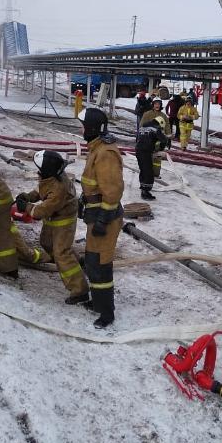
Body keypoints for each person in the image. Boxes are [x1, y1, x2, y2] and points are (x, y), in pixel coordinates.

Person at [16, 151, 90, 305]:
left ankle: (80, 290)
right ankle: (79, 262)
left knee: (61, 253)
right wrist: (28, 196)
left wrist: (26, 206)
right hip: (54, 217)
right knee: (46, 243)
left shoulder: (59, 189)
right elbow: (43, 189)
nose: (38, 172)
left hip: (63, 222)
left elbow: (40, 212)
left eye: (40, 169)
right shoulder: (53, 177)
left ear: (47, 170)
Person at [78, 107, 125, 328]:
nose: (82, 130)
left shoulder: (105, 153)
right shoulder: (96, 148)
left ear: (92, 128)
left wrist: (103, 219)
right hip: (95, 214)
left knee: (100, 263)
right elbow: (95, 182)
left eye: (84, 126)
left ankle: (107, 313)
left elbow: (113, 191)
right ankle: (98, 301)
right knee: (92, 260)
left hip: (105, 217)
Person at [135, 114, 170, 200]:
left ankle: (143, 186)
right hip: (146, 151)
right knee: (149, 171)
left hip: (138, 150)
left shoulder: (143, 127)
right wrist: (160, 149)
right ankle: (145, 192)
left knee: (143, 169)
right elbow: (163, 140)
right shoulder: (156, 129)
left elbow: (138, 138)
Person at [141, 99, 169, 179]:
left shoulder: (163, 115)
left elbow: (167, 126)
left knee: (158, 158)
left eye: (158, 104)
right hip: (149, 140)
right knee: (148, 157)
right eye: (155, 104)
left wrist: (168, 137)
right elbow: (142, 125)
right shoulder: (147, 114)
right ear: (153, 105)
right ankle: (147, 173)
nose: (157, 105)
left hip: (159, 140)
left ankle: (156, 174)